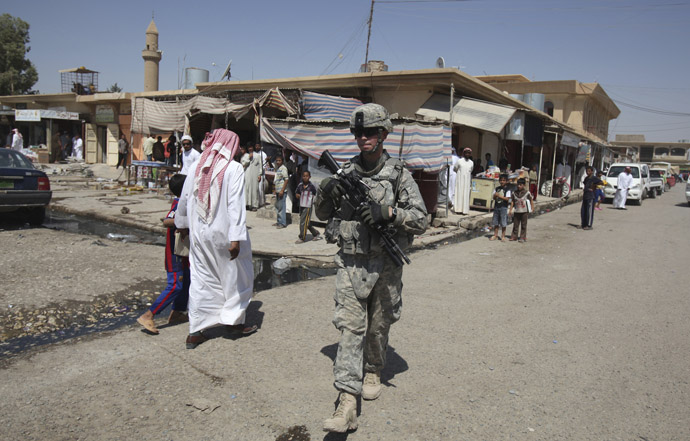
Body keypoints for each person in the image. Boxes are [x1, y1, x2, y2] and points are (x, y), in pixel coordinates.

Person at [314, 103, 428, 433]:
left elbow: (420, 219)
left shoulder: (398, 175)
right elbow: (322, 214)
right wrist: (327, 190)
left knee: (378, 325)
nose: (363, 138)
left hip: (387, 265)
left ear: (383, 135)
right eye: (358, 133)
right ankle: (346, 403)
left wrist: (389, 214)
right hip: (351, 262)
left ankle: (374, 368)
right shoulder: (344, 174)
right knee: (350, 328)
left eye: (370, 132)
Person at [175, 129, 257, 349]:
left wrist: (181, 226)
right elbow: (235, 206)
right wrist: (236, 238)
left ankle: (195, 331)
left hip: (199, 234)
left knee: (202, 280)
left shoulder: (195, 167)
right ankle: (234, 322)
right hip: (224, 233)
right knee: (236, 278)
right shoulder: (234, 168)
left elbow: (182, 200)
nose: (238, 150)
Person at [137, 174, 190, 334]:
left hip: (184, 254)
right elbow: (167, 221)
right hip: (175, 254)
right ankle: (149, 315)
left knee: (186, 282)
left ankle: (177, 312)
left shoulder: (185, 203)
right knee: (175, 285)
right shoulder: (178, 204)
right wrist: (186, 221)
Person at [295, 170, 321, 243]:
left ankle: (302, 237)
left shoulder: (311, 187)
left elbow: (316, 195)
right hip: (301, 205)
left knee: (303, 222)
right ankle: (316, 233)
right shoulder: (300, 185)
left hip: (308, 206)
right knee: (306, 222)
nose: (305, 178)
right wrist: (297, 195)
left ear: (309, 177)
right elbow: (297, 192)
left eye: (307, 176)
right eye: (304, 176)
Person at [509, 178, 533, 242]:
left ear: (524, 185)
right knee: (515, 224)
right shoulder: (514, 193)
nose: (519, 186)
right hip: (517, 211)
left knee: (523, 225)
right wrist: (510, 210)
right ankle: (514, 236)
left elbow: (531, 200)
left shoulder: (527, 193)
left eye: (520, 185)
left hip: (524, 211)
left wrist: (532, 208)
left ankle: (522, 237)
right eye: (518, 185)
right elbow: (512, 202)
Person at [452, 147, 474, 215]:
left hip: (467, 181)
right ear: (463, 153)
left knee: (465, 194)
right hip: (460, 180)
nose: (467, 154)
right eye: (466, 153)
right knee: (459, 193)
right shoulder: (459, 161)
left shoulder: (471, 162)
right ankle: (458, 209)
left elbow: (471, 170)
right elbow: (455, 168)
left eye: (469, 153)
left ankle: (464, 210)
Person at [489, 174, 511, 241]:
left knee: (503, 222)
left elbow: (507, 199)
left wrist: (499, 196)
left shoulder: (507, 189)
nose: (502, 182)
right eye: (501, 180)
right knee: (496, 222)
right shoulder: (497, 188)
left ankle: (503, 236)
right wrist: (495, 196)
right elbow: (493, 197)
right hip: (496, 207)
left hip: (503, 207)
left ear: (506, 181)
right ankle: (495, 235)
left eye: (504, 180)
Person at [580, 166, 602, 230]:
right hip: (585, 195)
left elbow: (601, 182)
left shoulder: (594, 178)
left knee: (589, 211)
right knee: (583, 211)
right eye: (587, 171)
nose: (587, 172)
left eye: (589, 171)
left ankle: (589, 225)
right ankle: (583, 224)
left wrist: (594, 186)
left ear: (592, 172)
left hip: (591, 196)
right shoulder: (586, 178)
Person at [245, 143, 263, 210]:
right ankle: (247, 204)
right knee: (247, 189)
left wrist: (260, 174)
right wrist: (249, 158)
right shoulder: (246, 156)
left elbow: (260, 166)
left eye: (251, 147)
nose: (250, 149)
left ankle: (254, 205)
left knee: (254, 190)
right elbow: (243, 164)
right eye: (249, 147)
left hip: (255, 174)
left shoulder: (257, 156)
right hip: (247, 175)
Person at [273, 155, 289, 228]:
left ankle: (282, 223)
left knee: (282, 207)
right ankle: (279, 221)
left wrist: (282, 190)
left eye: (279, 160)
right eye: (277, 160)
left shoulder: (283, 168)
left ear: (282, 161)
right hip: (278, 190)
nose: (278, 162)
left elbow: (286, 179)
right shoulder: (278, 168)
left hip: (282, 191)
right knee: (278, 207)